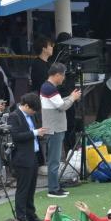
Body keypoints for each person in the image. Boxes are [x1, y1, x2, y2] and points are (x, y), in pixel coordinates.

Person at [37, 64, 80, 199]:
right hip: (54, 129)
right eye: (63, 75)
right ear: (57, 75)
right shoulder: (49, 88)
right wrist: (72, 98)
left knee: (55, 159)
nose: (64, 78)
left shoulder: (48, 87)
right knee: (54, 160)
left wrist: (70, 97)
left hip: (55, 128)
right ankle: (53, 189)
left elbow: (60, 102)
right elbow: (62, 106)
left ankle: (55, 186)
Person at [8, 94, 45, 221]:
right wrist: (35, 133)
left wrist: (39, 134)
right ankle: (21, 217)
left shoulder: (31, 115)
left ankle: (31, 214)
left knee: (31, 187)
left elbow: (32, 132)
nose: (34, 113)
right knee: (23, 189)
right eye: (33, 110)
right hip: (22, 158)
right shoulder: (14, 116)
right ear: (27, 106)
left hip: (33, 155)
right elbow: (16, 136)